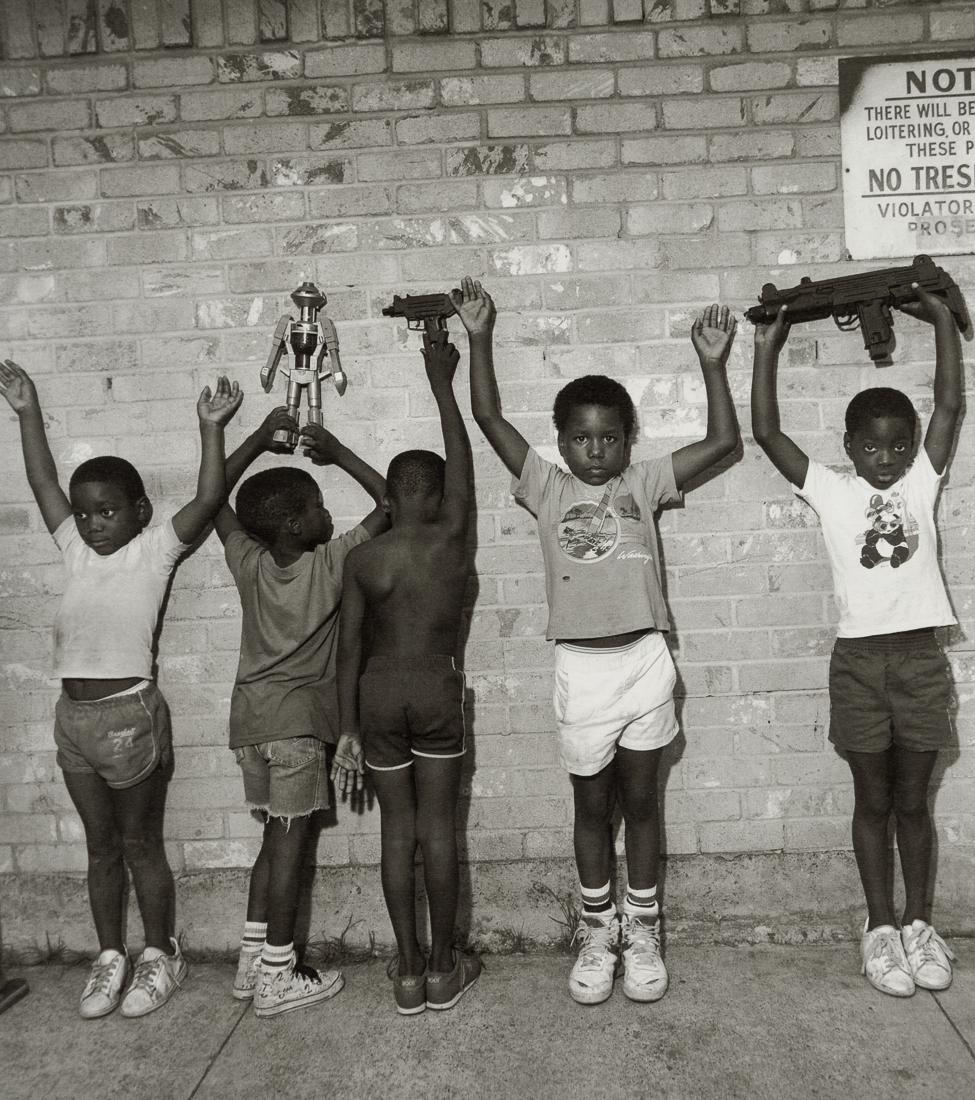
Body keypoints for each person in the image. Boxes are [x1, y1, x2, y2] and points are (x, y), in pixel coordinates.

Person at [457, 276, 740, 1005]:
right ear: (559, 443)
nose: (595, 450)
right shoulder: (547, 488)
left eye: (609, 437)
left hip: (644, 660)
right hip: (581, 669)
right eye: (580, 438)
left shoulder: (644, 483)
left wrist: (711, 363)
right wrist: (479, 336)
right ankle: (596, 930)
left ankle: (642, 930)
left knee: (641, 803)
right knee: (591, 807)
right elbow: (487, 415)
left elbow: (723, 443)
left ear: (628, 440)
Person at [0, 359, 242, 1019]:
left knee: (139, 844)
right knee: (100, 847)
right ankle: (110, 955)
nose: (91, 523)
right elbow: (43, 481)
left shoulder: (154, 550)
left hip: (128, 718)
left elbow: (208, 497)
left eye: (106, 511)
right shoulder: (75, 551)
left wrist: (210, 427)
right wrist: (27, 411)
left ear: (139, 512)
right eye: (83, 513)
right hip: (73, 720)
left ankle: (160, 953)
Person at [750, 286, 964, 997]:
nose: (886, 457)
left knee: (914, 803)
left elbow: (949, 408)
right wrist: (767, 348)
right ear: (848, 448)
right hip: (860, 666)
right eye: (871, 446)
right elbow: (768, 434)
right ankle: (879, 928)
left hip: (921, 660)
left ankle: (920, 925)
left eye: (898, 445)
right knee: (872, 801)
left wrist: (940, 319)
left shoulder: (922, 481)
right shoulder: (832, 491)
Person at [215, 407, 387, 1018]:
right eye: (317, 506)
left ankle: (252, 960)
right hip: (295, 731)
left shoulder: (248, 563)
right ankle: (278, 976)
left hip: (249, 726)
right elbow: (394, 501)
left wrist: (255, 441)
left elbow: (213, 500)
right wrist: (338, 452)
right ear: (294, 523)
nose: (326, 513)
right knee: (290, 851)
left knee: (272, 842)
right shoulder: (331, 563)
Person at [332, 331, 478, 1016]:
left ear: (387, 500)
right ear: (442, 498)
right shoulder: (451, 540)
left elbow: (348, 650)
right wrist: (442, 382)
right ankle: (446, 968)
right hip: (434, 687)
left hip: (378, 695)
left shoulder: (363, 560)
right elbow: (462, 464)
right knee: (439, 829)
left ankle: (408, 972)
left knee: (397, 831)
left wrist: (347, 730)